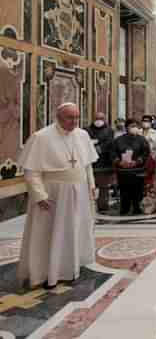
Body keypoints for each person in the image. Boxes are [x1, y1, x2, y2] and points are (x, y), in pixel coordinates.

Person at [17, 103, 98, 289]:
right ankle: (48, 271)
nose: (75, 122)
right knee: (50, 233)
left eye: (77, 117)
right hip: (53, 194)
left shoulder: (82, 135)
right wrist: (39, 195)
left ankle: (73, 266)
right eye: (70, 118)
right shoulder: (41, 137)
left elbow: (87, 165)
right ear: (58, 117)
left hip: (79, 191)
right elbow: (31, 171)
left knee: (75, 229)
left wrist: (91, 185)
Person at [112, 119, 150, 215]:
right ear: (127, 127)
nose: (134, 128)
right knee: (124, 192)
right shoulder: (118, 140)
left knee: (138, 192)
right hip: (123, 171)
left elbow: (146, 153)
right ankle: (124, 209)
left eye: (136, 126)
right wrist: (119, 162)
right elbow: (113, 153)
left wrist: (137, 161)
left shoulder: (142, 139)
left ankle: (137, 209)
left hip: (137, 170)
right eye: (132, 126)